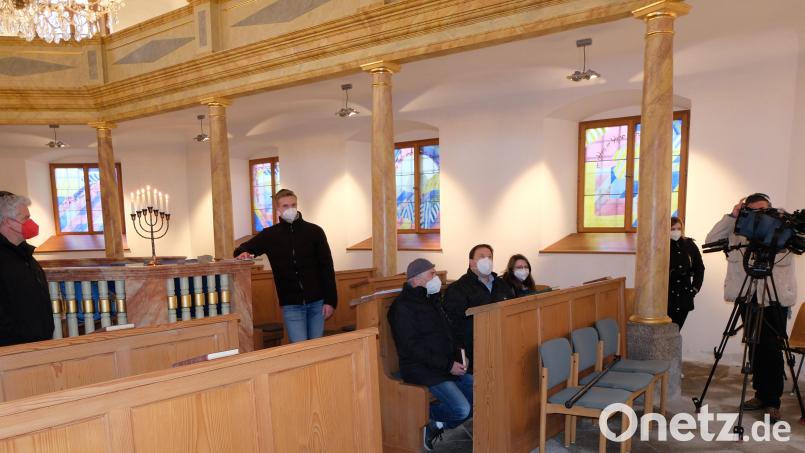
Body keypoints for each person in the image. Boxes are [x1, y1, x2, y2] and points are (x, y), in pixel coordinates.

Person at [705, 193, 797, 422]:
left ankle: (772, 401)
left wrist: (785, 222)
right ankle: (759, 395)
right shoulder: (738, 228)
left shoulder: (781, 228)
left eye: (764, 210)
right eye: (754, 211)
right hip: (748, 297)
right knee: (754, 346)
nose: (759, 216)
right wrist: (732, 216)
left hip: (773, 298)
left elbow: (799, 243)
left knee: (772, 349)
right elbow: (711, 238)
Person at [388, 258, 471, 451]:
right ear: (416, 280)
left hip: (444, 365)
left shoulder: (432, 300)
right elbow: (411, 348)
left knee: (480, 393)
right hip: (420, 368)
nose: (437, 278)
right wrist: (448, 365)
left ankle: (436, 425)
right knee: (462, 409)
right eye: (432, 274)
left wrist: (461, 357)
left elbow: (450, 333)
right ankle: (423, 419)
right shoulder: (401, 307)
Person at [234, 189, 337, 343]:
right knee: (299, 348)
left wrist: (331, 301)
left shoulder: (314, 231)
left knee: (317, 348)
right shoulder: (270, 235)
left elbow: (327, 267)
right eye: (285, 206)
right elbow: (242, 249)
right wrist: (242, 253)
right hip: (291, 304)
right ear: (278, 209)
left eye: (293, 204)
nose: (290, 208)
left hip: (317, 302)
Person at [443, 244, 514, 369]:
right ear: (471, 262)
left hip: (503, 345)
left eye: (490, 257)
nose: (487, 260)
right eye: (482, 257)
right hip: (475, 351)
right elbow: (455, 325)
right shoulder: (457, 288)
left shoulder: (502, 285)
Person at [0, 191, 54, 346]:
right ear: (8, 222)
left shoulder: (25, 254)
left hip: (38, 344)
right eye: (26, 218)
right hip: (13, 350)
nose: (31, 223)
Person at [668, 217, 704, 330]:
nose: (676, 231)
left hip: (684, 296)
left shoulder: (689, 245)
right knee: (663, 335)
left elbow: (699, 268)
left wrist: (694, 289)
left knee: (675, 333)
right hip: (667, 297)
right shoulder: (661, 245)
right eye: (672, 229)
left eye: (678, 228)